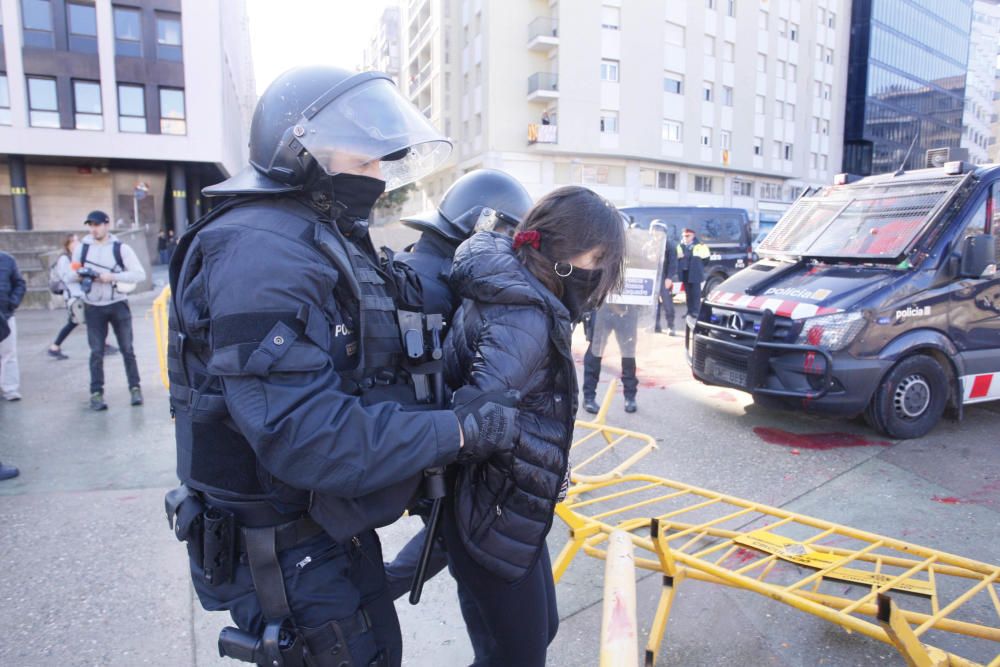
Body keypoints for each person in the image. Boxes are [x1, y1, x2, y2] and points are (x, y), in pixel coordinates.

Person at [165, 65, 520, 667]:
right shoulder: (262, 248)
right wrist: (458, 431)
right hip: (281, 545)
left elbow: (395, 311)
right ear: (301, 152)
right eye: (364, 162)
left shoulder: (314, 231)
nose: (378, 178)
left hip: (323, 525)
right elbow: (304, 434)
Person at [441, 185, 626, 666]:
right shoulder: (526, 314)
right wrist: (537, 454)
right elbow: (474, 423)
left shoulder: (522, 288)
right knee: (519, 655)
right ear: (565, 251)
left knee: (535, 633)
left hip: (508, 504)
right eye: (600, 257)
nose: (601, 273)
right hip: (489, 510)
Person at [385, 168, 532, 660]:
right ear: (484, 225)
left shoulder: (420, 268)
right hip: (449, 456)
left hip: (436, 451)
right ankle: (381, 586)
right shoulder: (441, 284)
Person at [67, 210, 146, 411]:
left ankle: (135, 388)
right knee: (96, 352)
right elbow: (70, 275)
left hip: (118, 303)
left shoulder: (121, 248)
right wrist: (84, 276)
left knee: (127, 349)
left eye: (97, 224)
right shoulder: (81, 249)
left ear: (106, 224)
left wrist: (111, 277)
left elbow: (139, 274)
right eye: (90, 225)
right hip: (93, 305)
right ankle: (96, 393)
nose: (94, 229)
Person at [582, 302, 641, 414]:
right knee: (595, 351)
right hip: (602, 306)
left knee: (628, 353)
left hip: (627, 307)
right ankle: (588, 397)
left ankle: (630, 396)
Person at [0, 249, 25, 401]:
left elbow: (20, 284)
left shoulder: (8, 260)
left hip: (5, 314)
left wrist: (13, 302)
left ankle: (10, 388)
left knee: (9, 353)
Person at [677, 227, 710, 318]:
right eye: (684, 236)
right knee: (688, 294)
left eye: (687, 236)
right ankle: (689, 311)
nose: (685, 238)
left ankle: (696, 312)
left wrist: (698, 267)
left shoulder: (700, 246)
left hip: (695, 274)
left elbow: (706, 260)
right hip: (685, 273)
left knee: (696, 294)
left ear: (693, 236)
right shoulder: (680, 246)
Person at [654, 221, 679, 335]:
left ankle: (671, 326)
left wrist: (669, 278)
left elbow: (673, 263)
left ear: (664, 232)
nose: (655, 233)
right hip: (652, 277)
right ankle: (656, 325)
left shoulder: (669, 245)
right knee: (653, 303)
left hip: (664, 277)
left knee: (667, 303)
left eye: (658, 231)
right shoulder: (650, 244)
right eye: (654, 230)